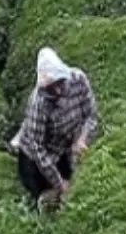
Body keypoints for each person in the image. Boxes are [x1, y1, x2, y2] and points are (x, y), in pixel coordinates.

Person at [9, 47, 97, 209]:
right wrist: (58, 183)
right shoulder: (39, 102)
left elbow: (90, 116)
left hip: (62, 147)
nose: (56, 90)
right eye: (50, 88)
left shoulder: (78, 79)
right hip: (35, 158)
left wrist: (82, 139)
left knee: (70, 187)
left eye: (59, 83)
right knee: (44, 194)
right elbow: (38, 149)